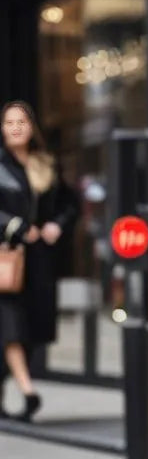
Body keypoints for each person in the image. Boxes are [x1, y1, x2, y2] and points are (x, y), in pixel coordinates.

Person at [0, 100, 77, 422]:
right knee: (12, 326)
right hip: (5, 260)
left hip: (39, 262)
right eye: (9, 122)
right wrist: (16, 228)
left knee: (31, 328)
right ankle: (29, 392)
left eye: (22, 121)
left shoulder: (46, 164)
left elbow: (70, 203)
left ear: (32, 127)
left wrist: (57, 225)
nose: (16, 127)